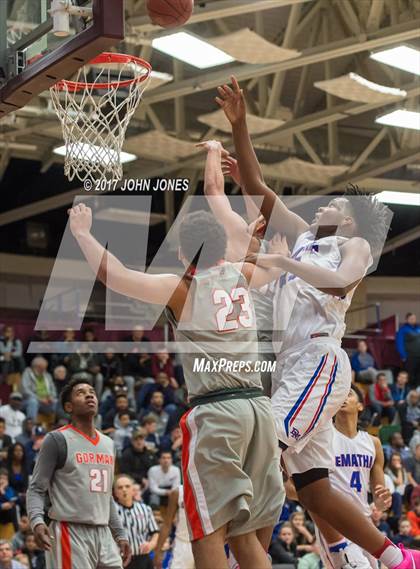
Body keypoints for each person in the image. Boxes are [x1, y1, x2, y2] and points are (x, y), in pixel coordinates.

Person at [216, 75, 419, 568]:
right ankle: (399, 561)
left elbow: (338, 283)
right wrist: (240, 126)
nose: (323, 205)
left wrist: (282, 264)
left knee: (265, 450)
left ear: (348, 219)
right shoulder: (307, 235)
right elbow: (257, 184)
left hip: (319, 361)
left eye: (333, 204)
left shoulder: (353, 245)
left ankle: (250, 559)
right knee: (312, 488)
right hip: (292, 366)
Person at [68, 184, 284, 569]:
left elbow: (113, 274)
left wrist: (82, 234)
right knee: (245, 533)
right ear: (220, 248)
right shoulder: (243, 275)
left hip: (218, 413)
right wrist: (255, 243)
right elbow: (273, 264)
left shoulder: (181, 287)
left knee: (206, 529)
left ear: (184, 252)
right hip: (260, 411)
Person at [26, 378, 131, 569]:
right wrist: (37, 521)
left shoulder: (108, 444)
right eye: (81, 393)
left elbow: (106, 497)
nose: (90, 395)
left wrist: (120, 533)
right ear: (68, 407)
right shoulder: (57, 439)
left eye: (92, 391)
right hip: (70, 530)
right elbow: (36, 488)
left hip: (103, 532)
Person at [114, 475, 159, 569]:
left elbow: (155, 532)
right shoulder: (111, 512)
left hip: (142, 558)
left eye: (127, 486)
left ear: (133, 490)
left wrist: (151, 544)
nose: (124, 490)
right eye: (120, 487)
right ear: (115, 492)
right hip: (120, 559)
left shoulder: (145, 509)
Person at [153, 486, 194, 569]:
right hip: (182, 544)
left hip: (205, 544)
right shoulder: (178, 492)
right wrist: (158, 551)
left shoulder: (211, 490)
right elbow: (167, 524)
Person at [396, 313, 420, 387]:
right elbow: (399, 343)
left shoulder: (418, 328)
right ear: (407, 320)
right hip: (410, 357)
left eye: (414, 318)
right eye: (411, 318)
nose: (413, 320)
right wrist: (403, 355)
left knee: (418, 375)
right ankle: (409, 392)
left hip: (419, 356)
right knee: (410, 375)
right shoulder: (403, 330)